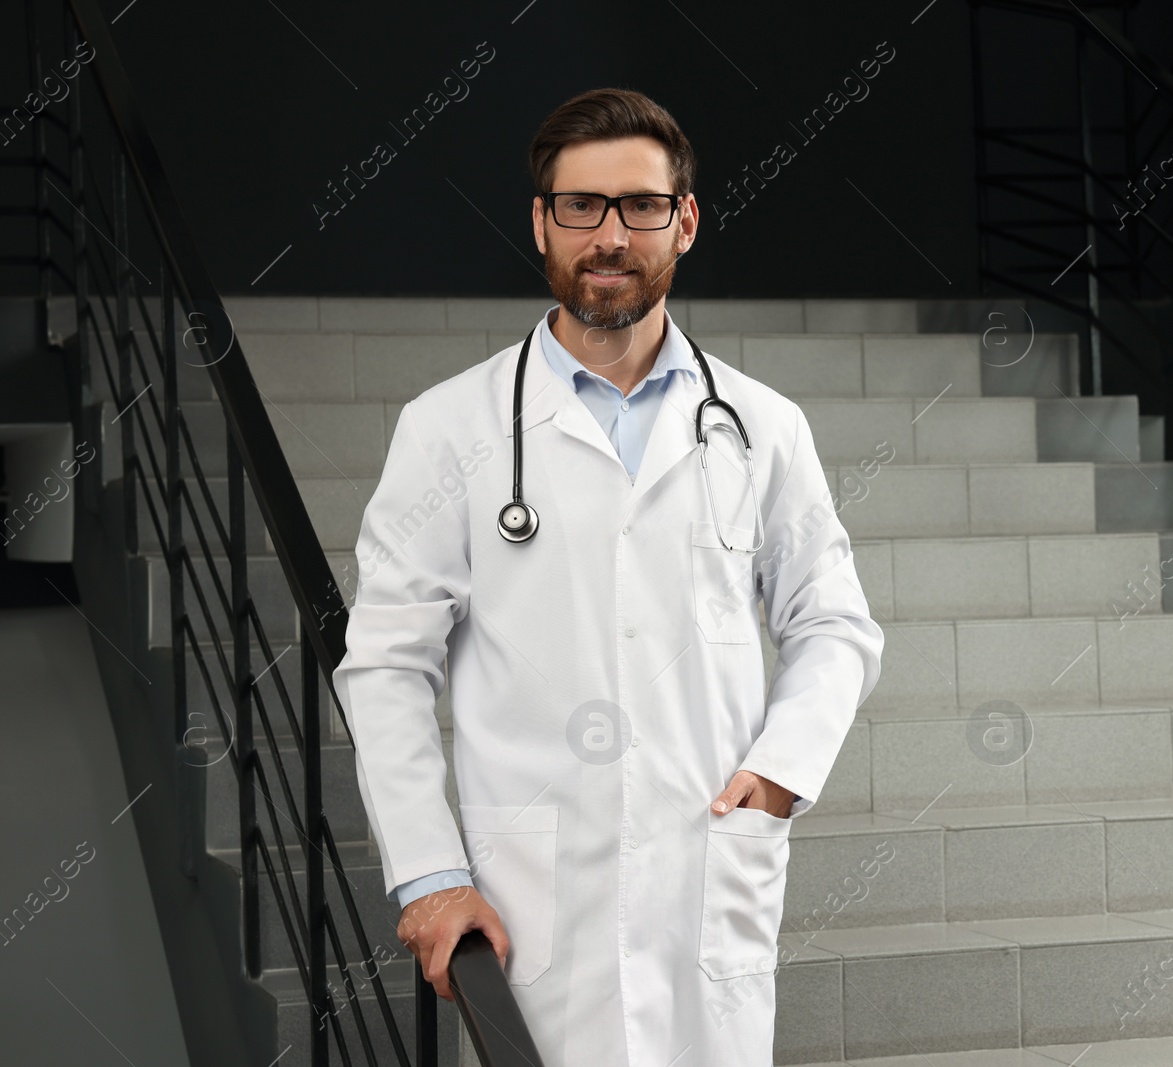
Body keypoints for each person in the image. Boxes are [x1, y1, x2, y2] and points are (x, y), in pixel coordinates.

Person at [330, 87, 884, 1066]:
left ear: (686, 221)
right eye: (580, 205)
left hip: (707, 875)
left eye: (640, 205)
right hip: (531, 900)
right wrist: (428, 871)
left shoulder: (762, 426)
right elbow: (384, 664)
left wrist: (779, 777)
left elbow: (833, 623)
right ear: (540, 220)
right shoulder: (449, 427)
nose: (610, 234)